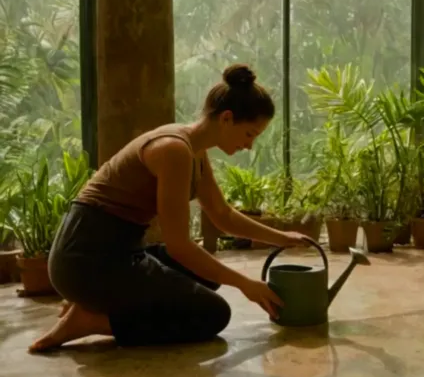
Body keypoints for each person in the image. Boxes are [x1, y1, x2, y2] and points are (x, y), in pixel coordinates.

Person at [29, 64, 313, 353]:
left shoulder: (194, 149)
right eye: (250, 134)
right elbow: (179, 246)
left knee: (204, 274)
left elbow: (222, 214)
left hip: (115, 252)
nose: (250, 146)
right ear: (227, 119)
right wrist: (245, 284)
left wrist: (282, 238)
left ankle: (94, 302)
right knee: (211, 314)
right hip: (86, 261)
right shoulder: (174, 150)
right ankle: (94, 320)